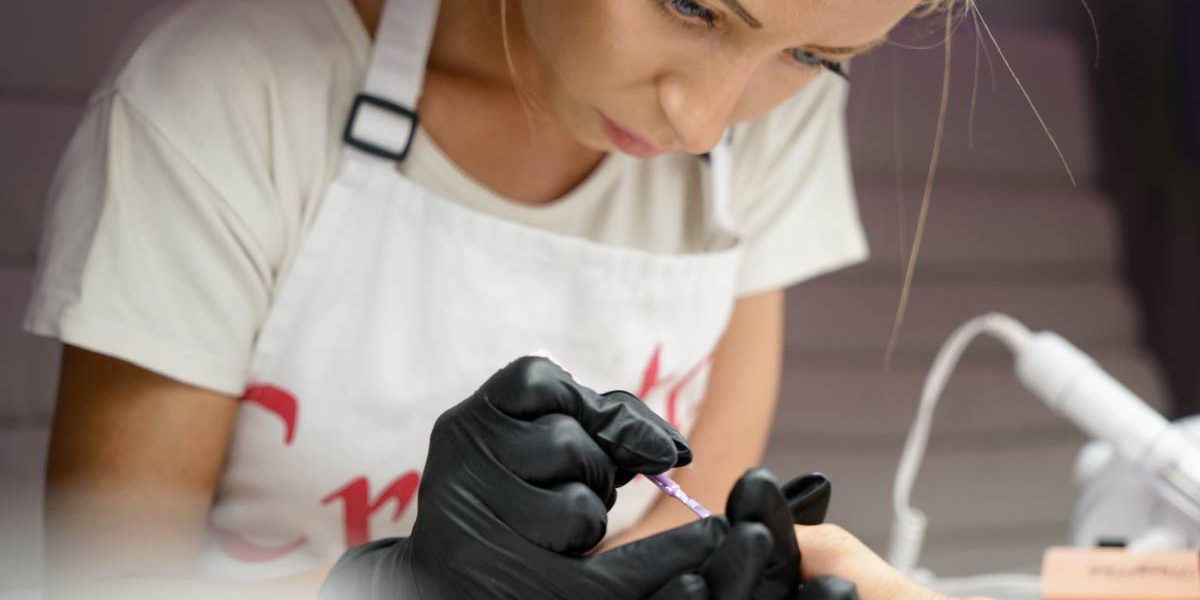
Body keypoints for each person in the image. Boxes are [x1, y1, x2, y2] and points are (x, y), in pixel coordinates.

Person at [25, 0, 972, 597]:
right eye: (690, 5)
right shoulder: (228, 97)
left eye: (814, 57)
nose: (704, 122)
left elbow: (708, 476)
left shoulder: (778, 119)